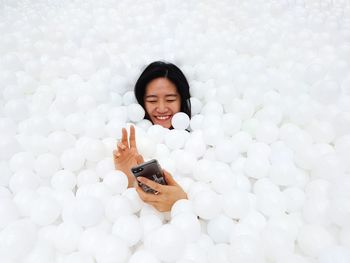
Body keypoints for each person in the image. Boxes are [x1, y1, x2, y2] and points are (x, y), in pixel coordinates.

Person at [113, 61, 191, 212]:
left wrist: (181, 203)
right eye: (152, 100)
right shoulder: (131, 144)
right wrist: (126, 177)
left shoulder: (197, 142)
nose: (161, 108)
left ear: (182, 100)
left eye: (170, 99)